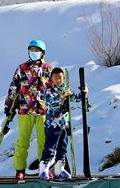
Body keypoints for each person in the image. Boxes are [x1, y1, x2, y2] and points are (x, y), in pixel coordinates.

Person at [5, 39, 54, 180]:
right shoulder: (22, 68)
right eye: (31, 50)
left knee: (44, 141)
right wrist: (9, 105)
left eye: (36, 50)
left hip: (43, 110)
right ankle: (20, 170)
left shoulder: (49, 69)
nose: (34, 53)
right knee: (22, 141)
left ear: (42, 53)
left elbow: (56, 87)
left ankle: (44, 169)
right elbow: (13, 87)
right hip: (25, 109)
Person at [38, 67, 74, 180]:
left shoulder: (65, 89)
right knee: (50, 146)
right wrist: (63, 96)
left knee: (63, 146)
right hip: (53, 123)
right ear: (51, 79)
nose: (58, 80)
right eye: (56, 78)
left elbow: (72, 98)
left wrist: (83, 93)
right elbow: (51, 101)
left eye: (60, 78)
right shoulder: (48, 90)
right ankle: (43, 169)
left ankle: (59, 169)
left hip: (64, 123)